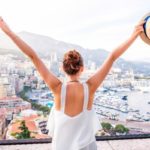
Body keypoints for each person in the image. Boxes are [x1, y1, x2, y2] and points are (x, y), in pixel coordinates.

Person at [0, 17, 144, 150]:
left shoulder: (57, 88)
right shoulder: (90, 88)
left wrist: (8, 31)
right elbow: (112, 57)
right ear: (82, 69)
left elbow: (33, 56)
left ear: (62, 68)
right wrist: (134, 35)